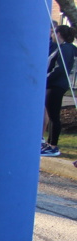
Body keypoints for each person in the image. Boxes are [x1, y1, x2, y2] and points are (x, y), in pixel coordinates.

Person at [43, 23, 76, 157]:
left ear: (59, 34)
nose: (52, 35)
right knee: (52, 114)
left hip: (56, 85)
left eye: (53, 33)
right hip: (55, 84)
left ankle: (53, 145)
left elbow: (60, 69)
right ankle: (49, 143)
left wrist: (46, 78)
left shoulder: (66, 49)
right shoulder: (63, 48)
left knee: (54, 115)